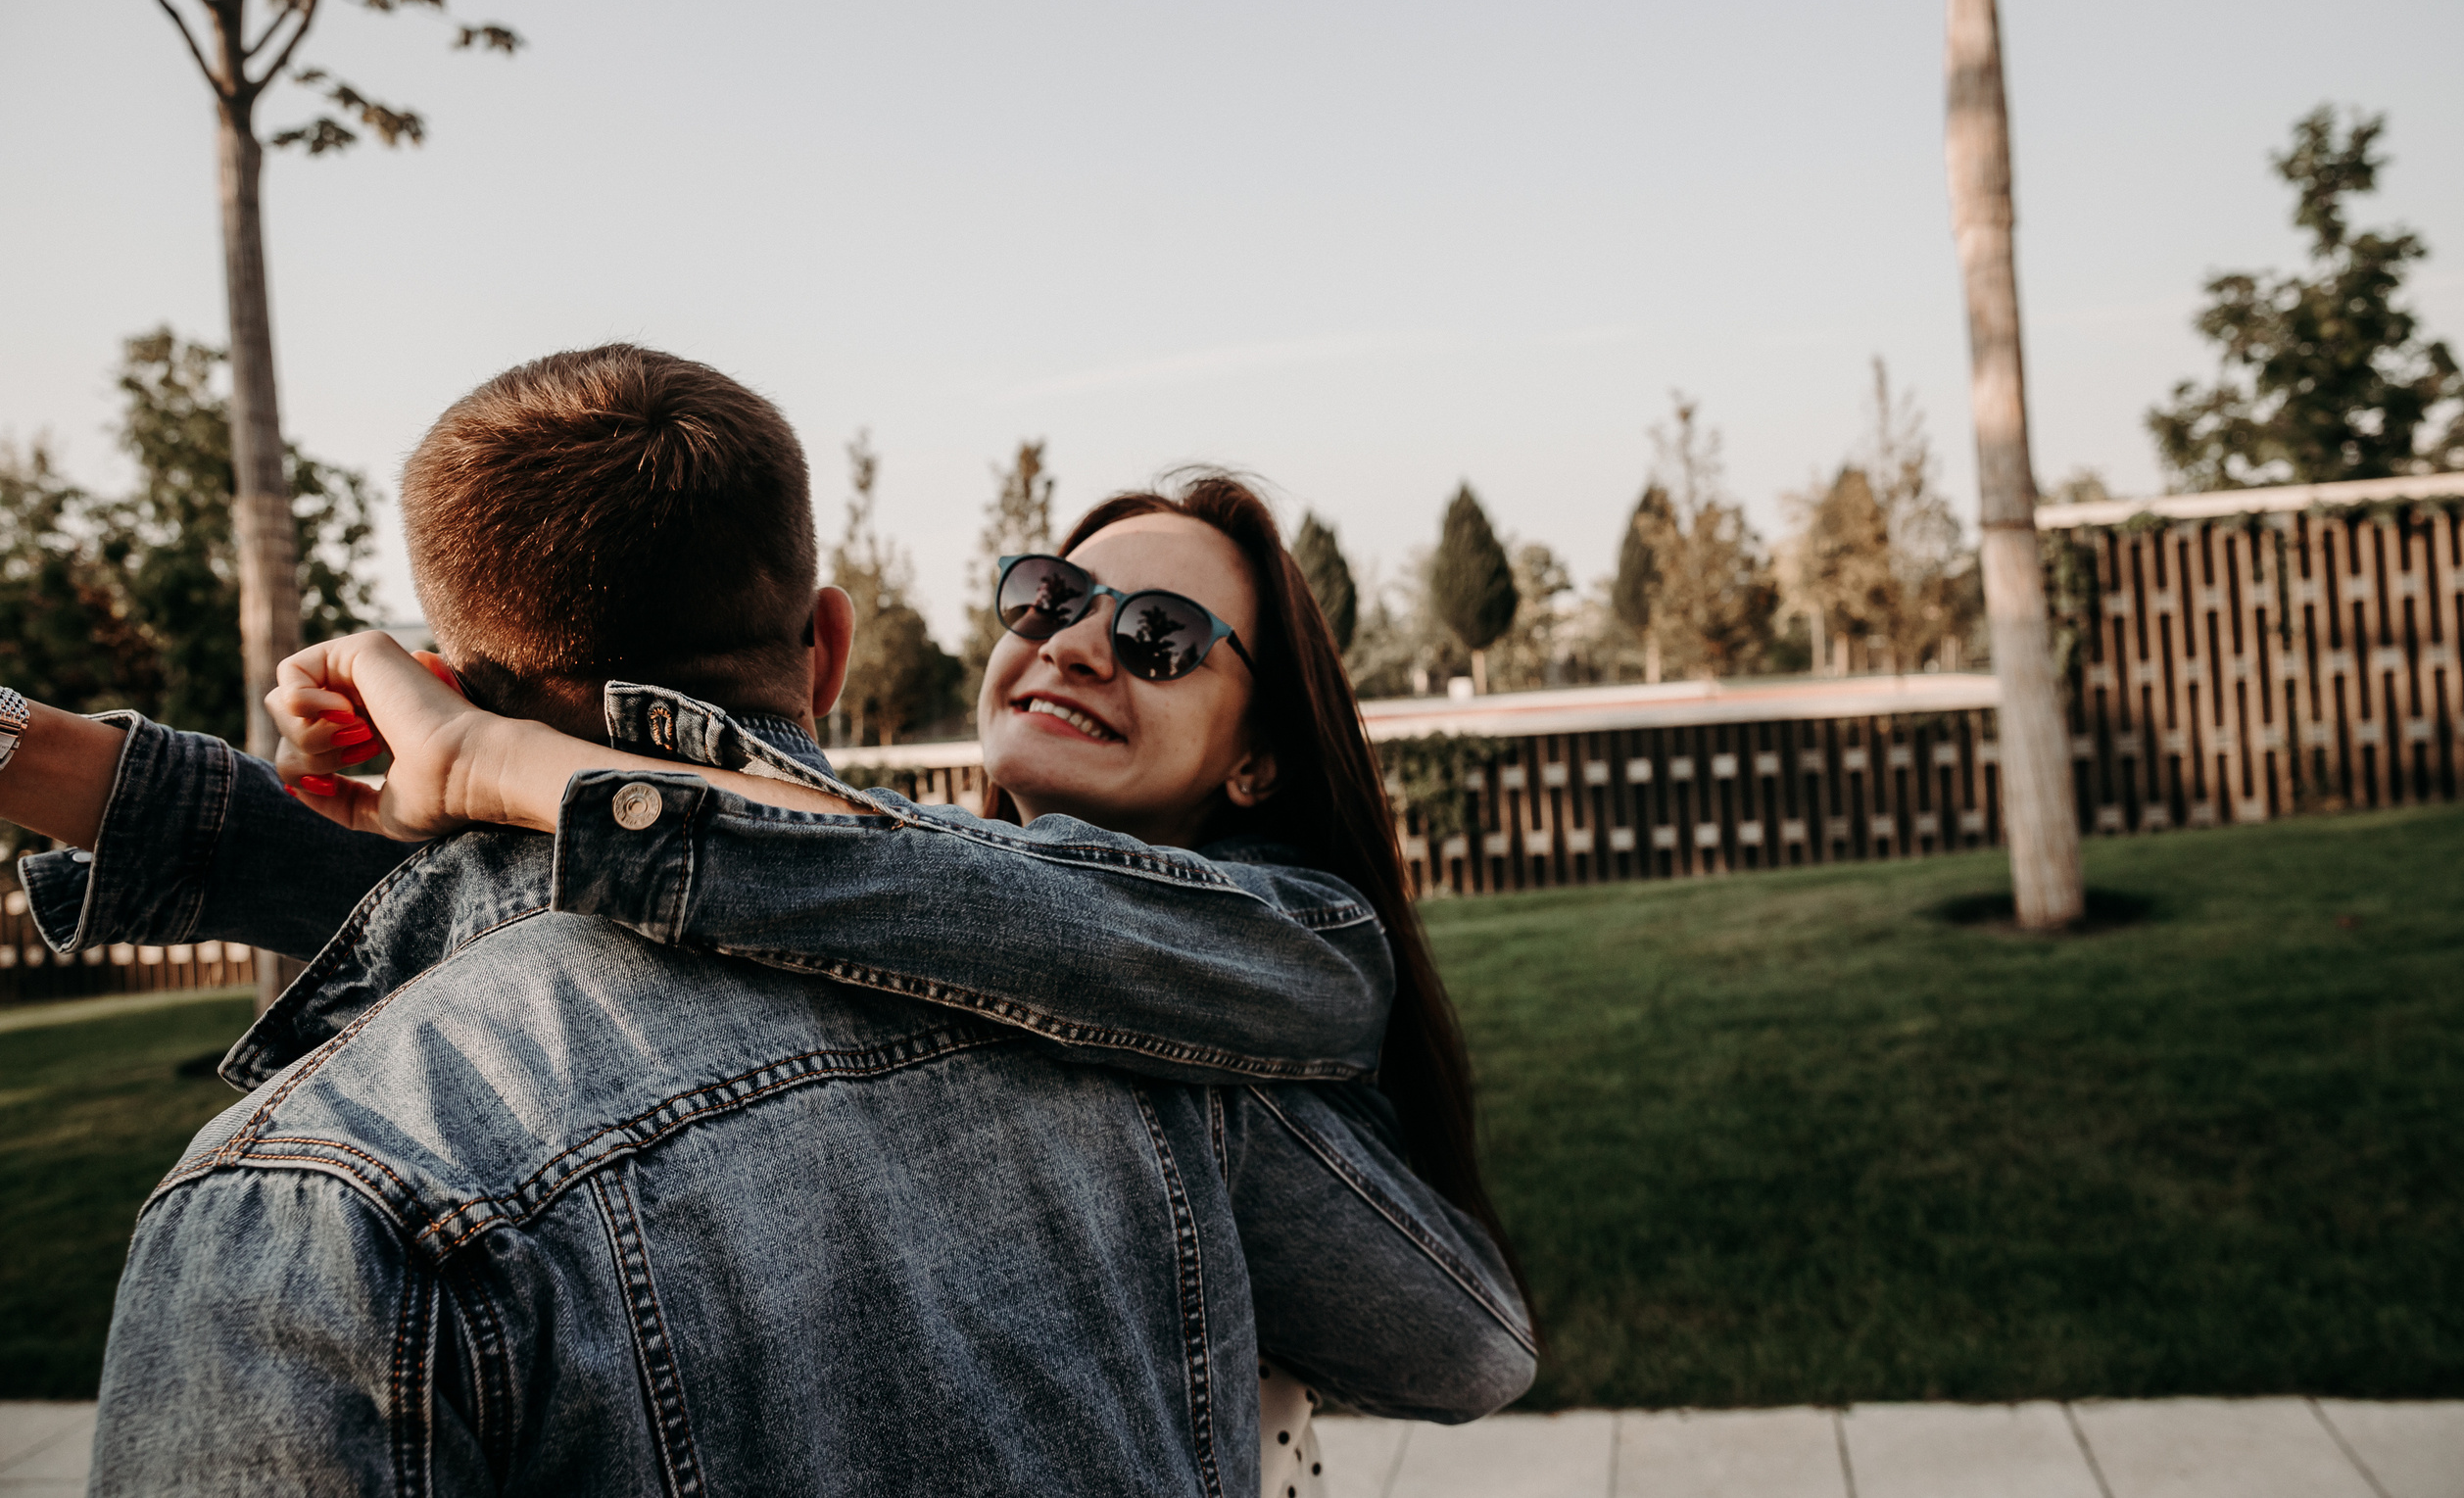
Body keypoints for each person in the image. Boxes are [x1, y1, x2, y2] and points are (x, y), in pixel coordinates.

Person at [8, 346, 1531, 1496]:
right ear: (829, 647)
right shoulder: (840, 894)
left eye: (1158, 636)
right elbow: (756, 876)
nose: (1078, 645)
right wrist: (42, 757)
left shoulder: (1267, 957)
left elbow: (1466, 1345)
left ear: (1263, 748)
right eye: (1048, 597)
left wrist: (508, 756)